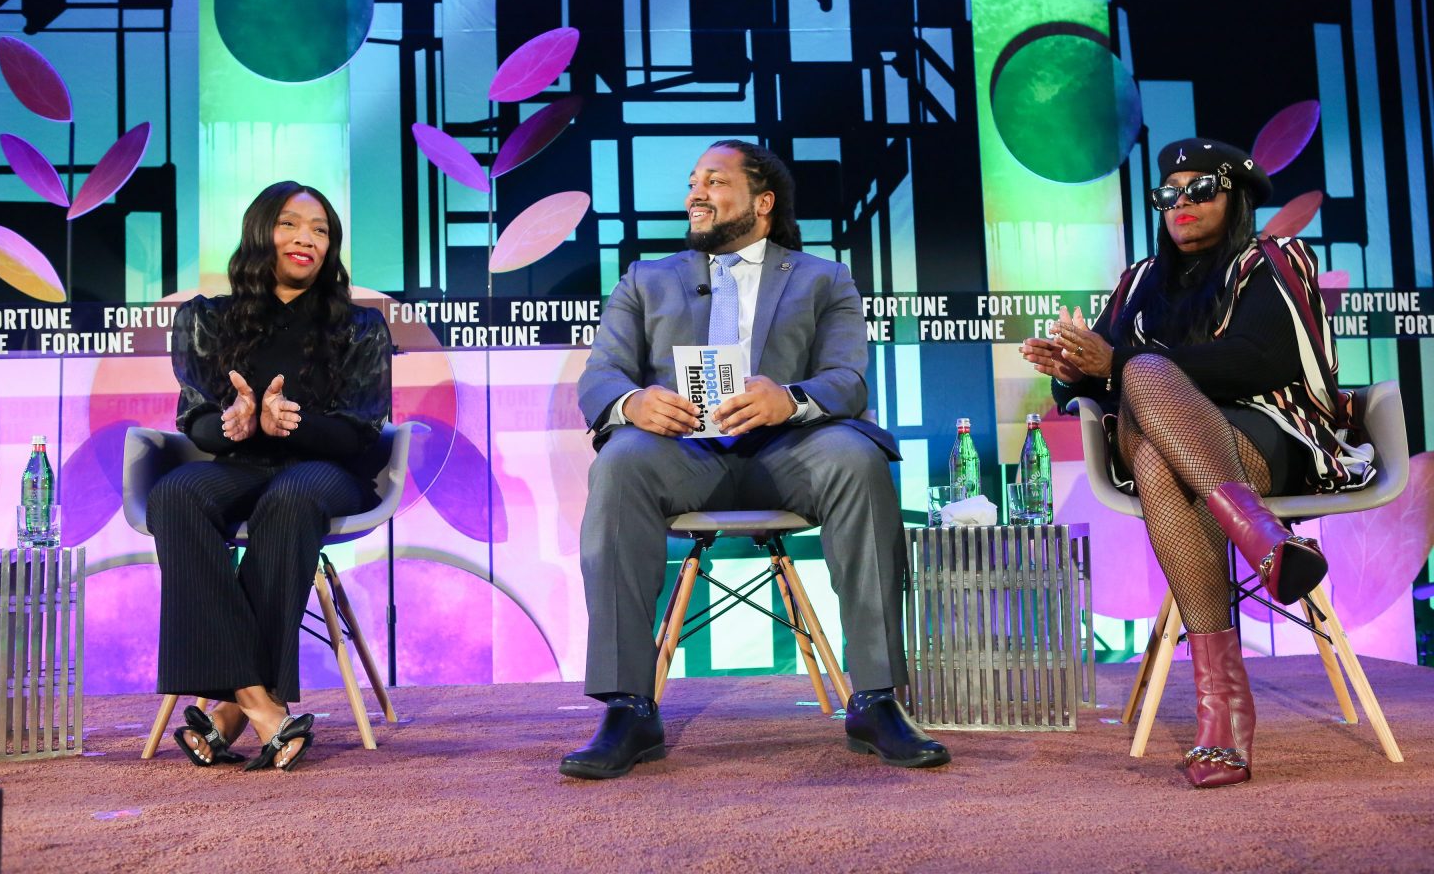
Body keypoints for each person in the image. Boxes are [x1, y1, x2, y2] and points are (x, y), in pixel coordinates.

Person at [561, 140, 949, 779]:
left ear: (763, 203)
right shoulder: (646, 279)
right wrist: (634, 404)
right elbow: (599, 377)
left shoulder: (823, 278)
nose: (695, 193)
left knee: (858, 459)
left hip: (791, 451)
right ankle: (628, 706)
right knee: (621, 462)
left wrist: (789, 399)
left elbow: (848, 381)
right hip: (681, 453)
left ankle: (876, 699)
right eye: (692, 182)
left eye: (714, 181)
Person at [1021, 138, 1372, 788]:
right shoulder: (1139, 280)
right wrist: (1072, 374)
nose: (1181, 204)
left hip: (1265, 437)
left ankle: (1225, 718)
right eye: (1168, 194)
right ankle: (1265, 541)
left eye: (1200, 190)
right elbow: (1099, 381)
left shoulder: (1271, 260)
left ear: (1234, 195)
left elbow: (1267, 360)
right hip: (1204, 468)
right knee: (1145, 395)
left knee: (1154, 442)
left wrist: (1120, 364)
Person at [150, 181, 392, 773]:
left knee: (288, 498)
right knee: (176, 493)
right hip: (241, 466)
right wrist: (233, 424)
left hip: (326, 472)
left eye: (320, 230)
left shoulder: (359, 327)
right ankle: (260, 703)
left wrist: (292, 424)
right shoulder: (208, 319)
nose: (305, 238)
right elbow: (195, 419)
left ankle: (230, 709)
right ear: (262, 231)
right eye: (290, 224)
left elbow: (360, 434)